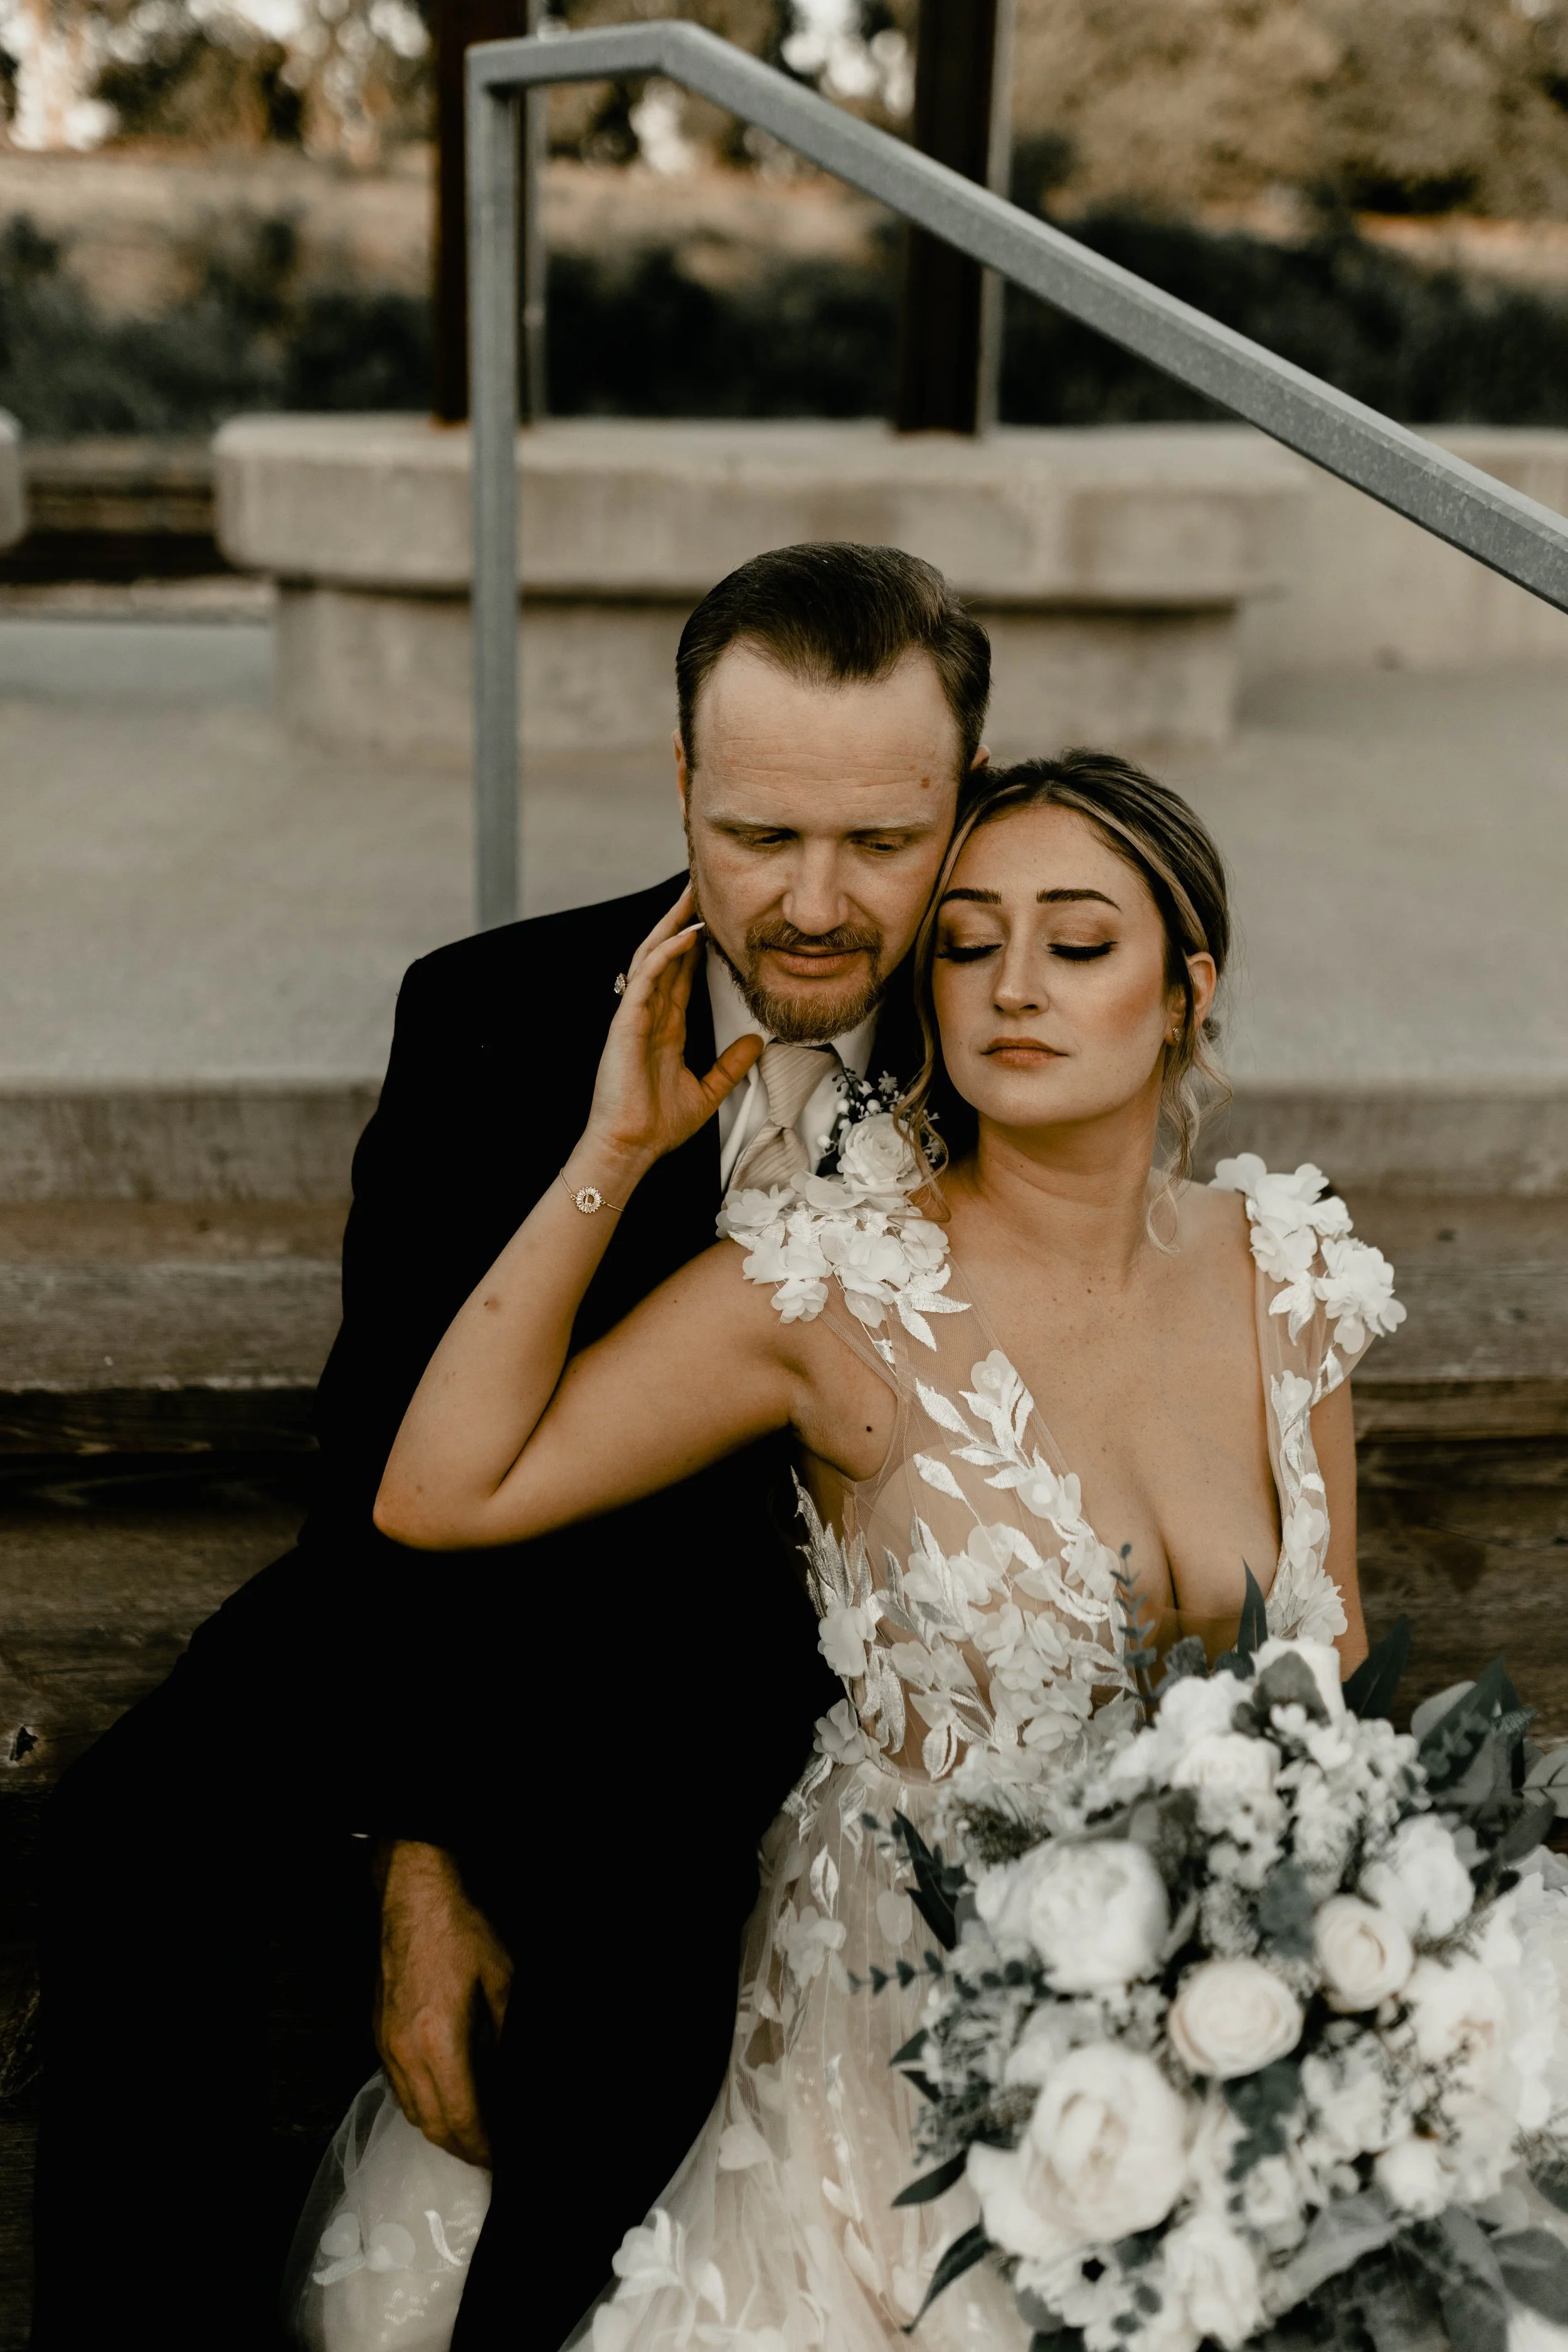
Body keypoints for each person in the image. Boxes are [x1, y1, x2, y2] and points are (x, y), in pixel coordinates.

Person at [30, 542, 992, 2351]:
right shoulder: (485, 1009)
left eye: (879, 841)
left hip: (761, 1648)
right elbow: (377, 1458)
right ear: (682, 783)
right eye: (758, 832)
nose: (810, 899)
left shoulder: (1010, 1027)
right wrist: (417, 1843)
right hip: (457, 1569)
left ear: (965, 804)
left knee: (637, 1937)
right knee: (133, 1835)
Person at [339, 750, 1403, 2349]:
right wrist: (610, 1155)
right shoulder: (827, 1285)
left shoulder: (1288, 1268)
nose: (1011, 989)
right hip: (896, 2040)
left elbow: (1337, 1654)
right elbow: (442, 1491)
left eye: (1077, 943)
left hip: (1229, 2033)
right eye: (967, 944)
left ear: (1184, 991)